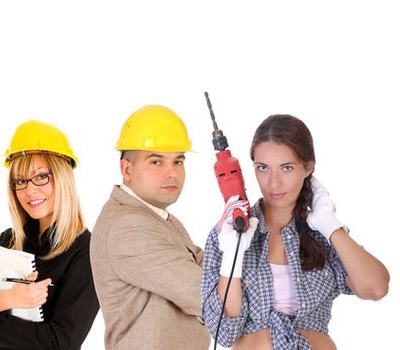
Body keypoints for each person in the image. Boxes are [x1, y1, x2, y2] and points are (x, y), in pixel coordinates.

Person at [201, 114, 389, 349]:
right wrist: (233, 256)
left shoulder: (322, 235)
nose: (273, 183)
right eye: (263, 168)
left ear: (308, 167)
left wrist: (331, 226)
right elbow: (225, 333)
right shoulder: (226, 236)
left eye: (286, 168)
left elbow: (376, 288)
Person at [0, 120, 99, 349]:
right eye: (20, 181)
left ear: (62, 177)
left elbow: (61, 343)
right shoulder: (9, 241)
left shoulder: (87, 251)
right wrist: (6, 299)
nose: (29, 190)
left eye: (40, 176)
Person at [90, 105, 210, 349]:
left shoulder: (161, 218)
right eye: (156, 162)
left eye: (178, 161)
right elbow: (205, 294)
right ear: (126, 169)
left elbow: (209, 265)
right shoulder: (127, 227)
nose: (172, 173)